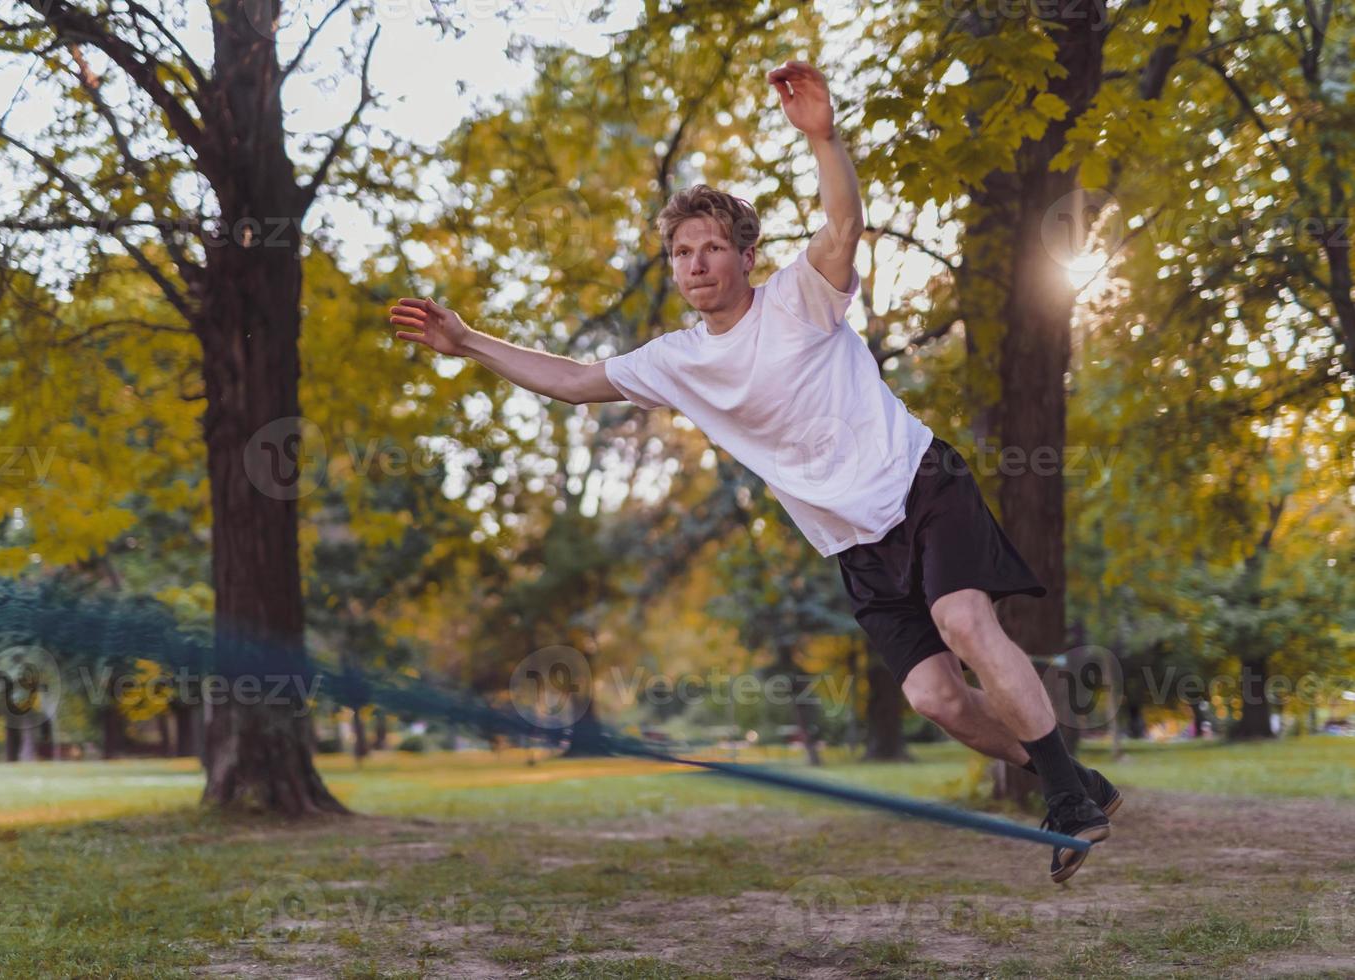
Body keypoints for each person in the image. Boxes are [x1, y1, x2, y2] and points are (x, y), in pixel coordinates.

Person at [389, 60, 1119, 882]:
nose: (696, 263)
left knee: (964, 622)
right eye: (680, 252)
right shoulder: (676, 362)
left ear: (744, 255)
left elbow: (843, 226)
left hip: (919, 487)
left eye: (711, 248)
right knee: (936, 700)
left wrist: (823, 138)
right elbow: (571, 381)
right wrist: (469, 342)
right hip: (852, 541)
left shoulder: (798, 300)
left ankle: (1068, 800)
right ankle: (1072, 780)